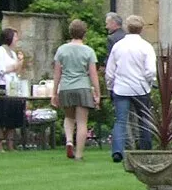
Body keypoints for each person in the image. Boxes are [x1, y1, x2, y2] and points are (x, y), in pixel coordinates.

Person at [106, 16, 157, 162]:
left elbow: (110, 71)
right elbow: (151, 71)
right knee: (144, 119)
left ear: (127, 28)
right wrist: (148, 83)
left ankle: (117, 151)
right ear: (141, 29)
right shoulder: (146, 46)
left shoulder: (118, 46)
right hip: (141, 88)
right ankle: (145, 150)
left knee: (120, 120)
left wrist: (111, 86)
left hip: (121, 88)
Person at [51, 19, 101, 160]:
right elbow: (93, 74)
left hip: (66, 87)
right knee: (82, 122)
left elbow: (57, 73)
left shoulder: (61, 49)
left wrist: (54, 93)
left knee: (68, 117)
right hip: (83, 87)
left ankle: (69, 141)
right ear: (84, 33)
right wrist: (97, 93)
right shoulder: (88, 51)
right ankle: (79, 154)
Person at [0, 27, 26, 152]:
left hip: (14, 85)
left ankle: (11, 145)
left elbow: (17, 71)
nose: (17, 39)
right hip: (3, 87)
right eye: (15, 37)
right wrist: (17, 64)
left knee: (12, 116)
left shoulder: (13, 53)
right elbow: (2, 69)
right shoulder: (0, 51)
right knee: (1, 117)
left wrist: (20, 63)